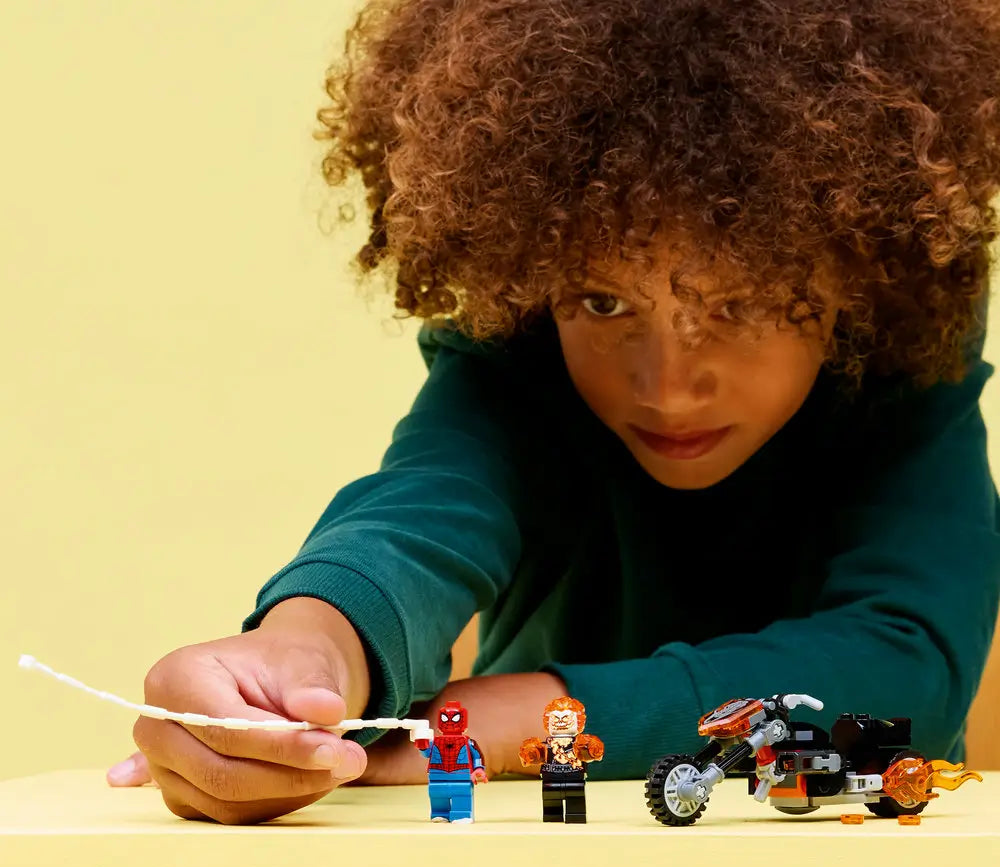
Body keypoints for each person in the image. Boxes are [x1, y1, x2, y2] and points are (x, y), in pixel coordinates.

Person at [107, 0, 1000, 824]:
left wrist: (517, 721)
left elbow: (906, 672)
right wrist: (307, 651)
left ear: (865, 273)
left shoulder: (902, 366)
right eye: (604, 303)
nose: (667, 386)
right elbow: (426, 515)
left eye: (745, 303)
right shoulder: (521, 350)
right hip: (535, 863)